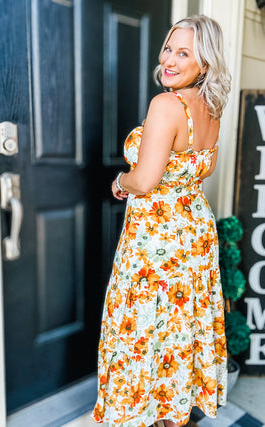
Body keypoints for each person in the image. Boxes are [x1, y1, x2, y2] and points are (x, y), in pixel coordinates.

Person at [91, 14, 231, 427]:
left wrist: (120, 179)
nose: (169, 59)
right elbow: (199, 171)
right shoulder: (211, 106)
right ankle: (173, 415)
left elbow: (147, 179)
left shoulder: (166, 104)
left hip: (157, 239)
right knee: (180, 330)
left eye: (183, 52)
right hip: (195, 235)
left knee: (144, 329)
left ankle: (140, 413)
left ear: (203, 63)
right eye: (169, 47)